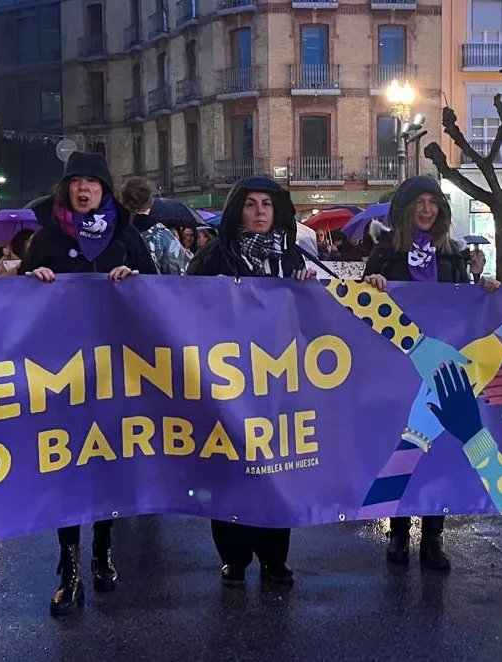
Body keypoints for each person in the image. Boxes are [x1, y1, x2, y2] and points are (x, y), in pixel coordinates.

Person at [21, 151, 157, 616]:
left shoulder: (126, 235)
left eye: (92, 183)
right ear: (66, 189)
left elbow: (158, 292)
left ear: (104, 189)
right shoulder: (47, 237)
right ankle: (70, 568)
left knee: (105, 464)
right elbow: (18, 306)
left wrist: (133, 280)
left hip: (114, 373)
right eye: (76, 182)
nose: (84, 190)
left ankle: (102, 553)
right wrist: (32, 279)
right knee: (66, 467)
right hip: (61, 374)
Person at [362, 175, 501, 572]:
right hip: (396, 367)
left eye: (433, 202)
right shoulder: (385, 252)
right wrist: (372, 284)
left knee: (440, 449)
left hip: (442, 367)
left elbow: (464, 309)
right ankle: (399, 532)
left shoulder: (453, 254)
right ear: (405, 209)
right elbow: (363, 303)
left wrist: (483, 287)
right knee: (402, 440)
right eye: (419, 202)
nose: (426, 209)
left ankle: (433, 536)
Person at [187, 175, 316, 587]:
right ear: (237, 210)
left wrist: (308, 292)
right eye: (250, 204)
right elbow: (181, 306)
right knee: (230, 470)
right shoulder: (215, 256)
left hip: (277, 384)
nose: (259, 212)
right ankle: (235, 557)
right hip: (227, 384)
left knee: (276, 472)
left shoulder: (292, 258)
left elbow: (312, 321)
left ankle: (275, 558)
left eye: (266, 204)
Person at [118, 177, 190, 275]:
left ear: (122, 201)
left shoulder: (111, 232)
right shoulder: (161, 234)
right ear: (150, 203)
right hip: (153, 284)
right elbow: (180, 272)